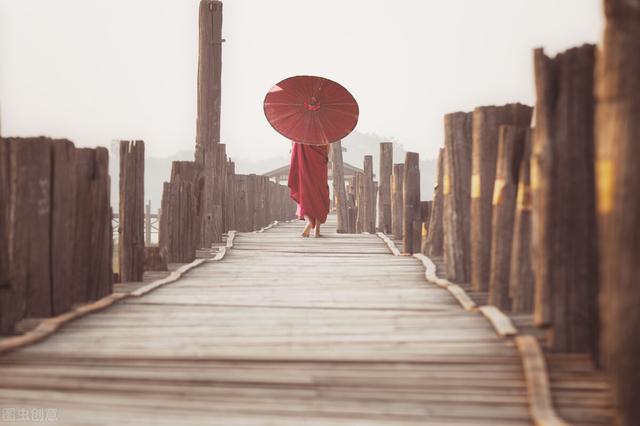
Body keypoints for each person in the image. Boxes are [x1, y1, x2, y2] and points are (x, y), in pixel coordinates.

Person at [288, 142, 330, 237]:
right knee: (321, 195)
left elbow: (294, 152)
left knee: (306, 196)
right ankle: (317, 230)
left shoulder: (300, 134)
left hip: (305, 169)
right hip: (319, 168)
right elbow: (327, 151)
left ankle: (309, 223)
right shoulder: (323, 130)